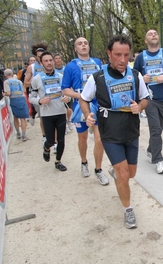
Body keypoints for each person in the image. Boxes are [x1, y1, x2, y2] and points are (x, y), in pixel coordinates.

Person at [79, 35, 149, 229]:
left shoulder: (136, 75)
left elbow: (145, 98)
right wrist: (87, 114)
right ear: (109, 53)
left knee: (131, 173)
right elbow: (83, 99)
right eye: (118, 54)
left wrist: (140, 107)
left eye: (126, 55)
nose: (122, 59)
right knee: (124, 174)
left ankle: (117, 172)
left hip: (131, 131)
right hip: (110, 133)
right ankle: (128, 210)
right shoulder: (97, 78)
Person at [61, 37, 109, 185]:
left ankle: (99, 169)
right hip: (80, 106)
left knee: (100, 139)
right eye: (80, 44)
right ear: (75, 49)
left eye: (86, 43)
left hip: (98, 105)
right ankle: (83, 162)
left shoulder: (98, 63)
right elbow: (65, 89)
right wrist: (81, 96)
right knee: (82, 139)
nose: (83, 46)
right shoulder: (70, 66)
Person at [133, 29, 163, 174]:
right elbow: (133, 76)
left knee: (159, 129)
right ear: (146, 41)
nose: (153, 35)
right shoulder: (140, 57)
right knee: (155, 130)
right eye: (150, 34)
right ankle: (158, 160)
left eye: (155, 33)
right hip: (149, 98)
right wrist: (142, 78)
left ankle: (150, 149)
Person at [29, 51, 71, 171]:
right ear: (41, 63)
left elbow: (68, 93)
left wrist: (67, 98)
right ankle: (46, 148)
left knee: (61, 139)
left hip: (60, 112)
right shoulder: (36, 79)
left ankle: (58, 161)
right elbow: (31, 97)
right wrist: (40, 101)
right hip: (47, 114)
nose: (49, 63)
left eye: (50, 60)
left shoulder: (61, 77)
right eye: (46, 61)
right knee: (51, 141)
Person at [24, 44, 48, 139]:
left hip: (51, 95)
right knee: (43, 117)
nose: (41, 58)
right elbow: (25, 83)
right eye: (39, 57)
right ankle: (44, 136)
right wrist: (38, 84)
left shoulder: (50, 64)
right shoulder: (32, 67)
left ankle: (55, 139)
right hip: (38, 97)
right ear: (35, 57)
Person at [3, 69, 29, 141]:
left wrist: (4, 94)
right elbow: (23, 91)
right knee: (23, 118)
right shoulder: (19, 81)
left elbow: (8, 93)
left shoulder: (6, 82)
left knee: (16, 117)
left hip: (14, 100)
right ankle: (24, 135)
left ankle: (18, 133)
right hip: (22, 99)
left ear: (5, 75)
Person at [53, 53, 72, 132]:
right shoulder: (53, 71)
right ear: (54, 61)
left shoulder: (65, 69)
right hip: (58, 92)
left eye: (59, 58)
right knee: (62, 109)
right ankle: (64, 126)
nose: (58, 60)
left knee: (69, 109)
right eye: (56, 58)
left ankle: (69, 120)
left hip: (67, 91)